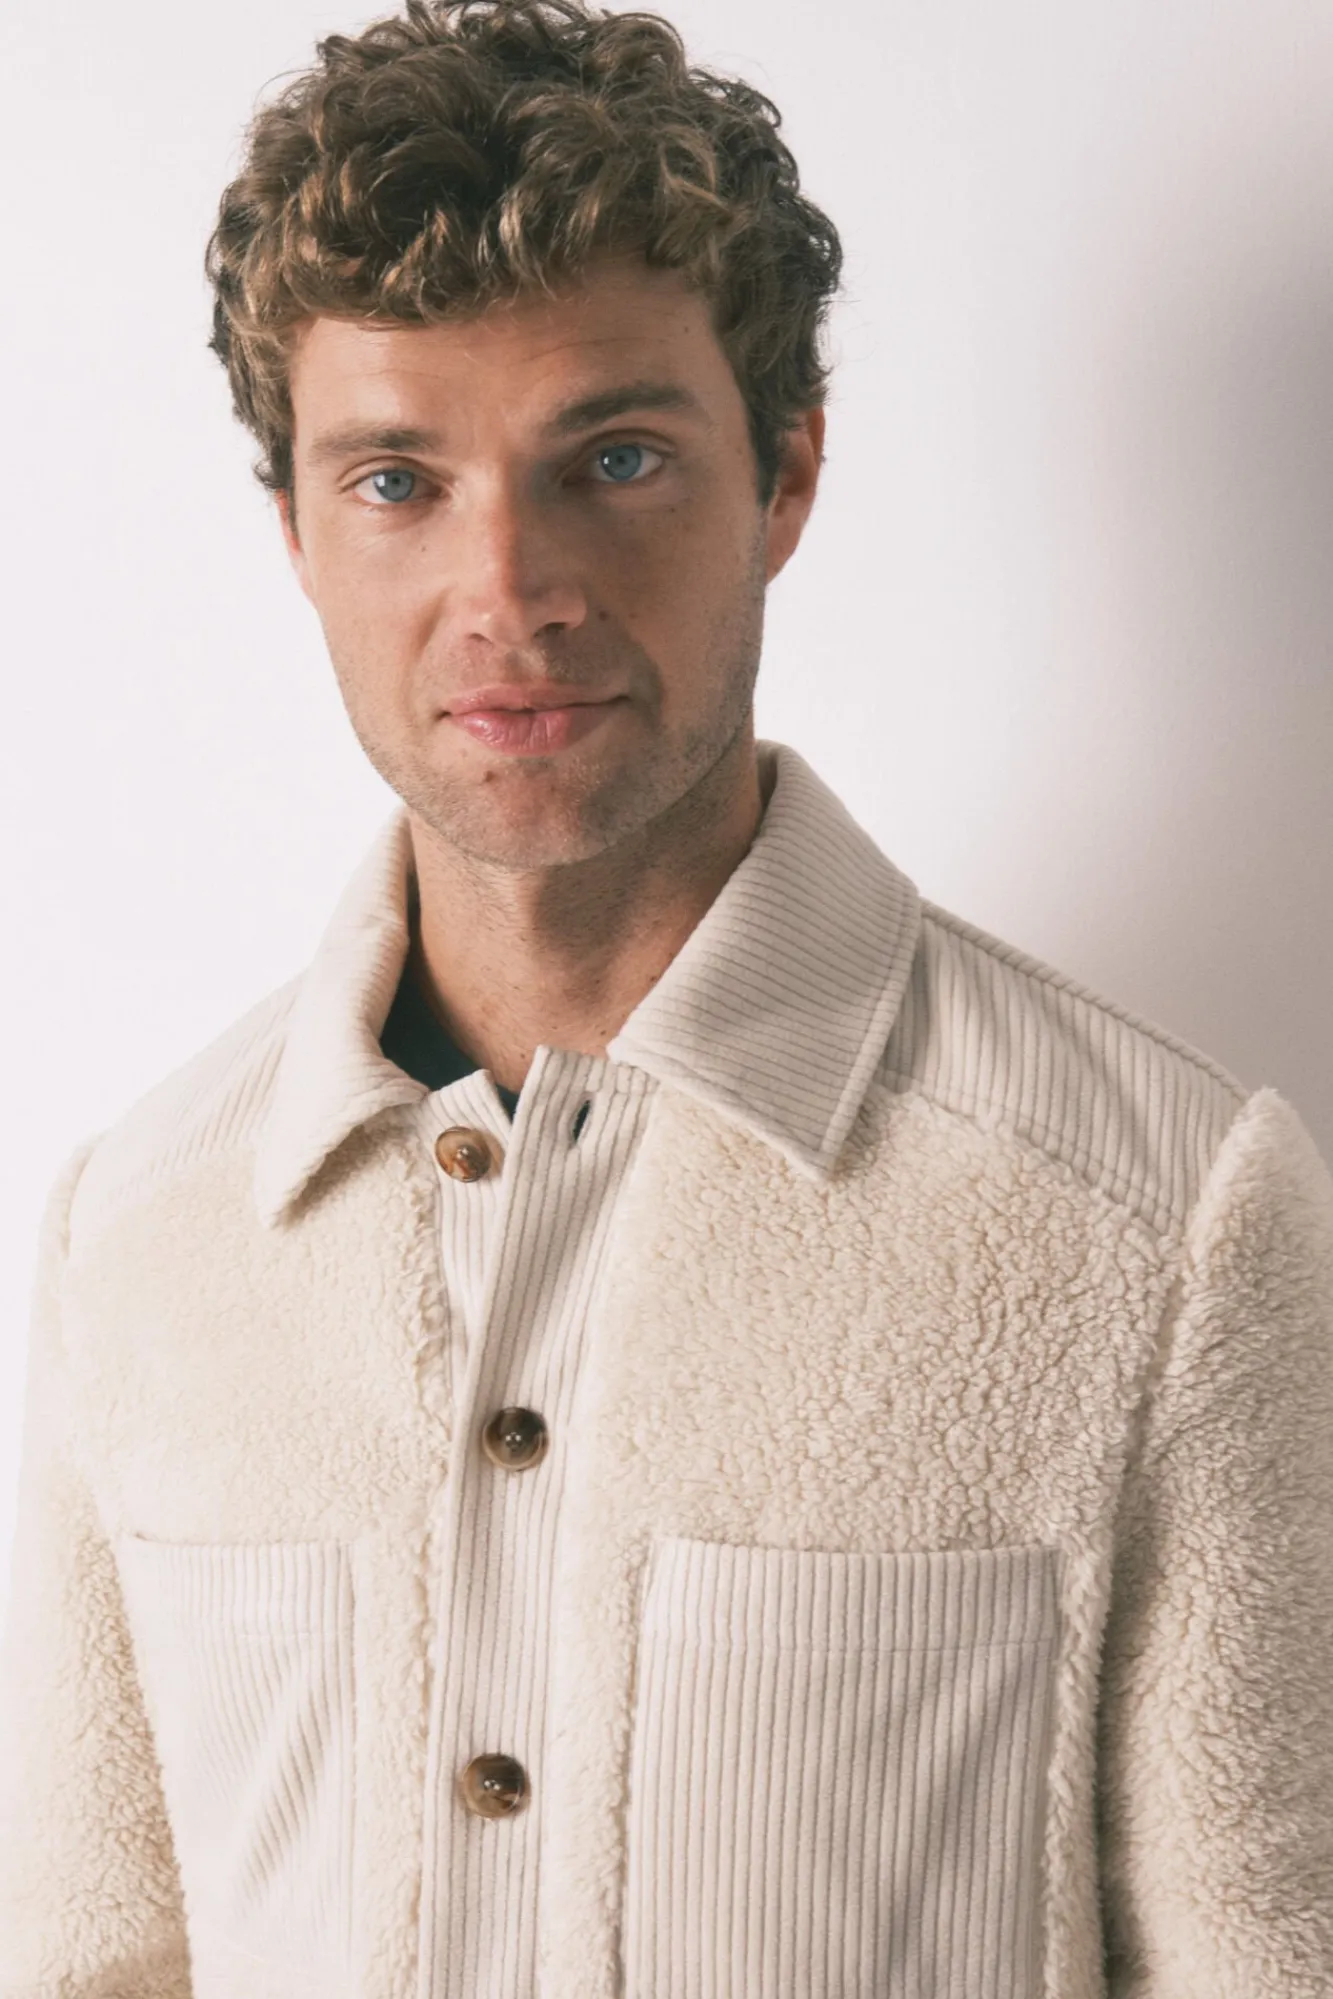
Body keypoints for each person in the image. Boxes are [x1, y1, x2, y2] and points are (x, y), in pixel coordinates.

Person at [2, 1, 1331, 1993]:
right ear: (294, 531)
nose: (511, 588)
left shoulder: (1167, 1213)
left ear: (785, 474)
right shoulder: (139, 1238)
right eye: (397, 481)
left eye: (614, 459)